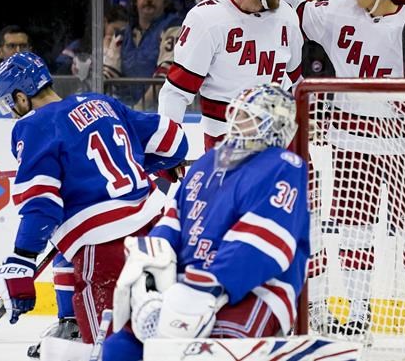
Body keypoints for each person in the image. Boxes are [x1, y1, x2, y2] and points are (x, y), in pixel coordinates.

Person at [283, 0, 405, 337]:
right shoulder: (339, 10)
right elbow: (292, 4)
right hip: (352, 137)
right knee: (354, 231)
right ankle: (358, 310)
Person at [0, 52, 188, 353]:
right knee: (165, 337)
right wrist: (159, 163)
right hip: (156, 232)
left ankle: (82, 334)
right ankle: (68, 321)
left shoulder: (33, 125)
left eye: (10, 107)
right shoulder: (102, 102)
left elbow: (42, 203)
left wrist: (21, 260)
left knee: (107, 346)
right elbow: (172, 139)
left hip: (105, 246)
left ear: (20, 98)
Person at [101, 83, 309, 361]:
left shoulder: (283, 165)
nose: (236, 122)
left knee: (211, 353)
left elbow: (263, 242)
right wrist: (151, 268)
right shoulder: (208, 161)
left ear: (274, 125)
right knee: (121, 346)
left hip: (254, 290)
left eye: (248, 117)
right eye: (236, 114)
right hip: (184, 286)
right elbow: (174, 218)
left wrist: (206, 287)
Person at [157, 0, 304, 152]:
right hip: (226, 140)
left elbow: (295, 80)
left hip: (279, 137)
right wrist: (167, 148)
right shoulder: (207, 19)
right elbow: (177, 92)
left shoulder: (288, 16)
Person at [104, 0, 182, 108]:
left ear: (165, 2)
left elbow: (165, 76)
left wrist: (139, 109)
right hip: (127, 108)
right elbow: (107, 75)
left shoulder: (173, 28)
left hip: (160, 111)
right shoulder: (122, 35)